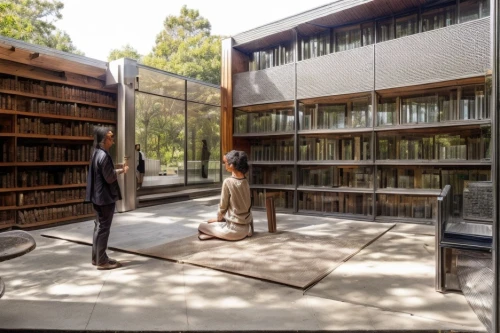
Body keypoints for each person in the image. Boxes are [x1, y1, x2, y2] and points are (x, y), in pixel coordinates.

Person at [85, 127, 129, 270]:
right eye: (111, 137)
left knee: (98, 227)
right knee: (104, 228)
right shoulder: (104, 156)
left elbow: (105, 172)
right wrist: (122, 171)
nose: (113, 140)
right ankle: (102, 261)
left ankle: (97, 257)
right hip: (104, 197)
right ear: (104, 140)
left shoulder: (96, 153)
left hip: (97, 196)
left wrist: (116, 168)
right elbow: (109, 177)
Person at [198, 150, 253, 241]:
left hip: (233, 229)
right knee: (213, 225)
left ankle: (215, 234)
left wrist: (218, 219)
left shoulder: (228, 182)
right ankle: (215, 234)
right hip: (247, 228)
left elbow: (223, 207)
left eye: (225, 163)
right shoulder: (245, 181)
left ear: (232, 165)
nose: (224, 165)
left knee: (202, 226)